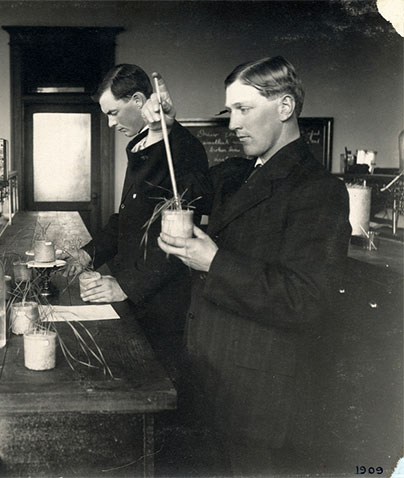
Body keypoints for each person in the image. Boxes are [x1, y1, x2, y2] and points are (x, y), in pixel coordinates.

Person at [157, 56, 351, 475]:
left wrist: (213, 261)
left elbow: (305, 299)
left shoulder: (319, 190)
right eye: (231, 112)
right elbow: (182, 178)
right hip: (212, 383)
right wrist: (167, 128)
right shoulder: (236, 173)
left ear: (284, 107)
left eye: (244, 110)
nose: (232, 125)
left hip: (262, 404)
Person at [64, 64, 210, 357]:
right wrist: (87, 254)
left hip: (163, 303)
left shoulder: (182, 149)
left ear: (139, 101)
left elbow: (181, 238)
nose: (109, 123)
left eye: (113, 113)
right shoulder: (141, 145)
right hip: (137, 294)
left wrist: (126, 287)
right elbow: (127, 218)